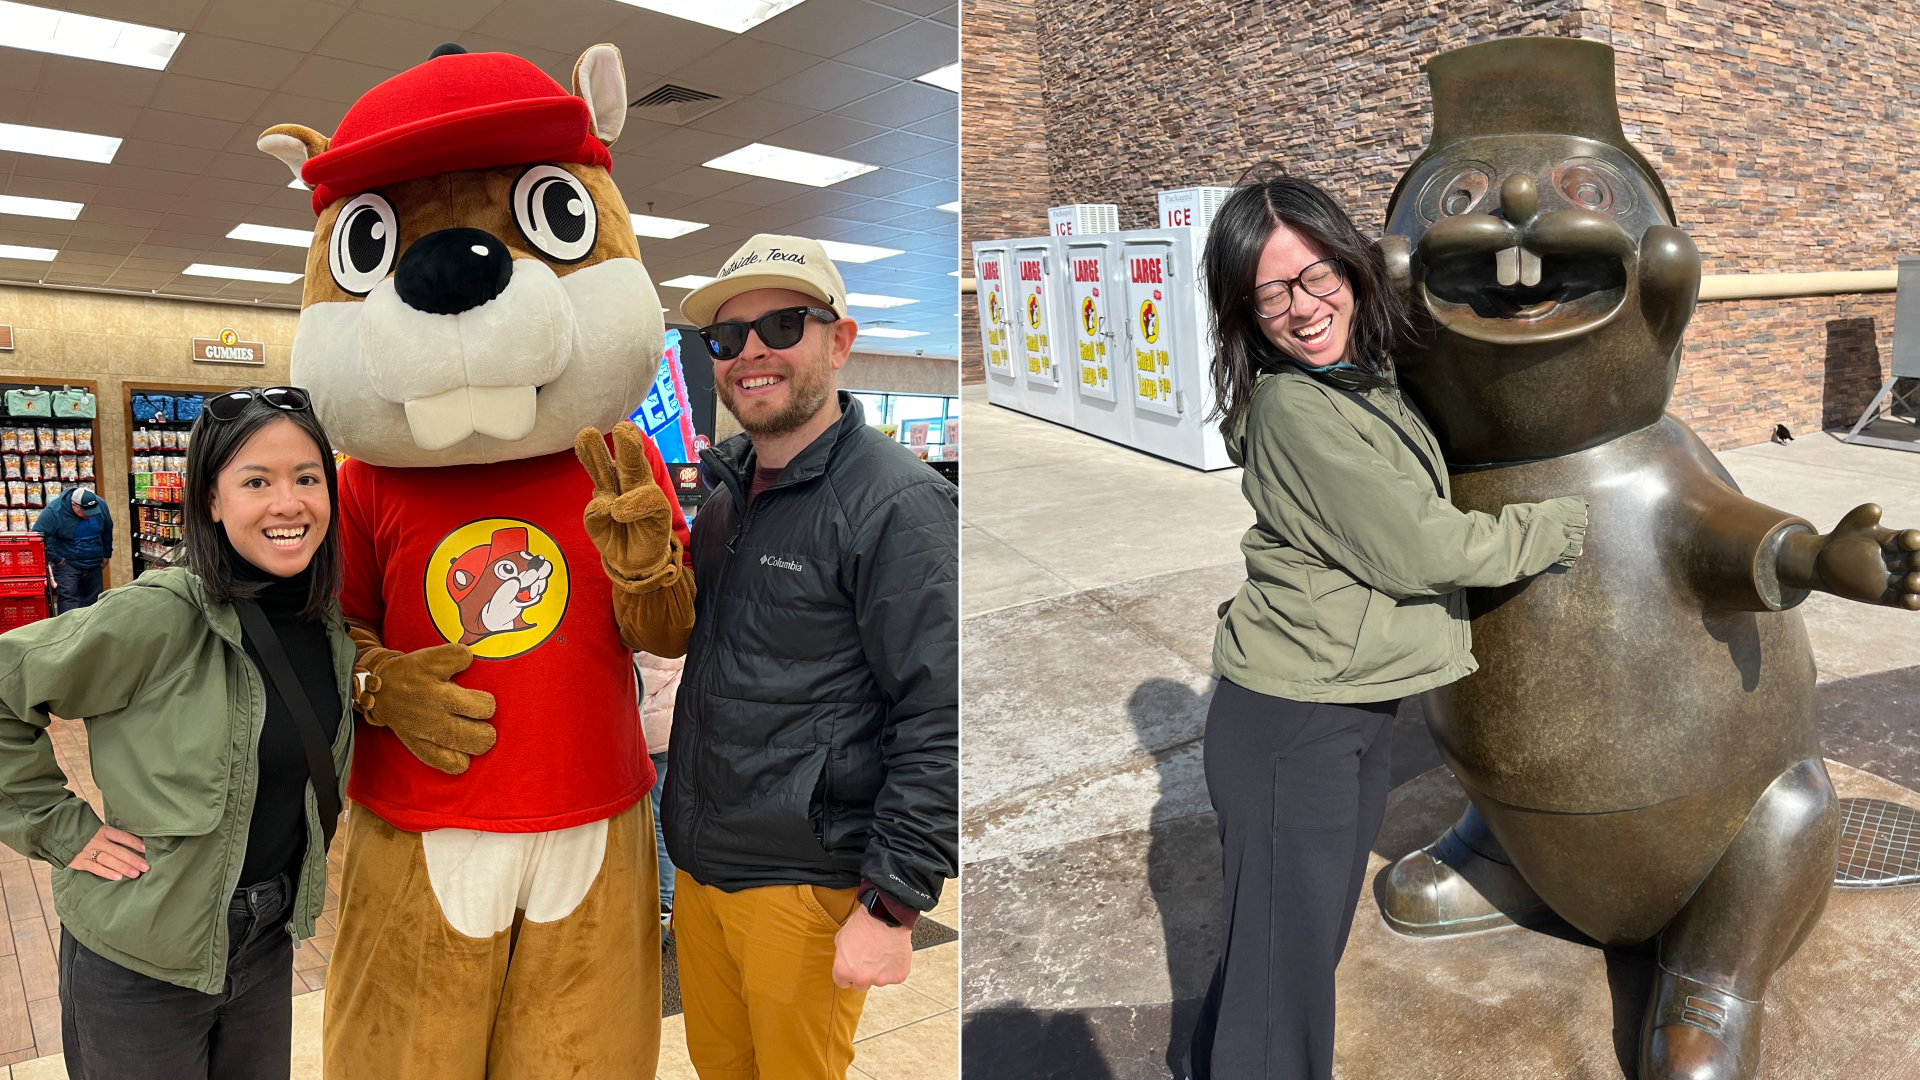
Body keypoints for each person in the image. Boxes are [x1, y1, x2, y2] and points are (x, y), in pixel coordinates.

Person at [1184, 175, 1589, 1080]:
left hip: (1343, 705)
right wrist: (1556, 528)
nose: (1305, 305)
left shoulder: (1361, 384)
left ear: (1354, 268)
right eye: (1273, 291)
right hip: (1295, 721)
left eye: (1319, 273)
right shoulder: (1296, 408)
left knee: (1289, 947)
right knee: (1287, 966)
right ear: (1245, 311)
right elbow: (1415, 547)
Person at [669, 234, 959, 1080]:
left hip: (805, 883)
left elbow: (938, 712)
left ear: (838, 340)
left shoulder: (897, 504)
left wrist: (892, 902)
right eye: (726, 338)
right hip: (704, 867)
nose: (751, 351)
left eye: (782, 324)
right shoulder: (727, 498)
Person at [0, 386, 351, 1080]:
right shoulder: (158, 616)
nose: (289, 503)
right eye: (257, 481)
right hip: (139, 960)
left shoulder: (330, 629)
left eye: (308, 478)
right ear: (212, 502)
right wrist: (59, 829)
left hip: (266, 945)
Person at [636, 649, 683, 929]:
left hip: (650, 735)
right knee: (663, 817)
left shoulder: (644, 642)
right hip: (671, 731)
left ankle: (663, 901)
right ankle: (666, 902)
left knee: (654, 821)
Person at [35, 484, 113, 611]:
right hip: (68, 564)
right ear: (74, 506)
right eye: (86, 512)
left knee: (92, 601)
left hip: (94, 564)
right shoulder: (54, 511)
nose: (91, 515)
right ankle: (68, 631)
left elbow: (107, 529)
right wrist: (57, 559)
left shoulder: (101, 504)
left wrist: (106, 554)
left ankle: (89, 630)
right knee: (69, 600)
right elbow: (39, 535)